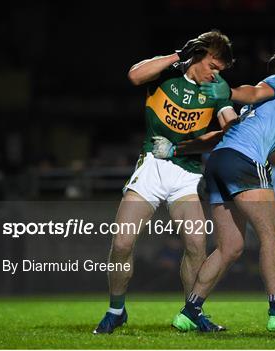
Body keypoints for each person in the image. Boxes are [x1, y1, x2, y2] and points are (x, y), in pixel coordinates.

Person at [154, 52, 275, 332]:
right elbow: (253, 92)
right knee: (270, 236)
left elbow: (222, 135)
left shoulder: (255, 112)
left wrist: (177, 149)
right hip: (244, 162)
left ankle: (190, 313)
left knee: (230, 247)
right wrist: (230, 91)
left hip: (219, 162)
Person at [93, 30, 238, 334]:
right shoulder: (166, 74)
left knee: (197, 244)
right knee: (121, 243)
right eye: (213, 65)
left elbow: (228, 129)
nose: (216, 74)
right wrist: (176, 55)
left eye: (220, 70)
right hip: (152, 167)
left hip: (185, 173)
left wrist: (233, 125)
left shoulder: (219, 89)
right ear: (196, 56)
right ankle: (116, 310)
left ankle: (192, 311)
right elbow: (134, 76)